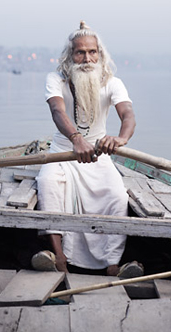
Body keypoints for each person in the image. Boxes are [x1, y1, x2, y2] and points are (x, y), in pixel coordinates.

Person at [33, 21, 142, 278]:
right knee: (47, 183)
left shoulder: (113, 82)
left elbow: (128, 114)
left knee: (117, 196)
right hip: (62, 153)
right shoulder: (56, 79)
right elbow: (57, 111)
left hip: (98, 157)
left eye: (92, 52)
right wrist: (75, 138)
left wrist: (121, 139)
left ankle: (113, 264)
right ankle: (59, 259)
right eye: (80, 52)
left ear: (100, 54)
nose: (87, 58)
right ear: (70, 56)